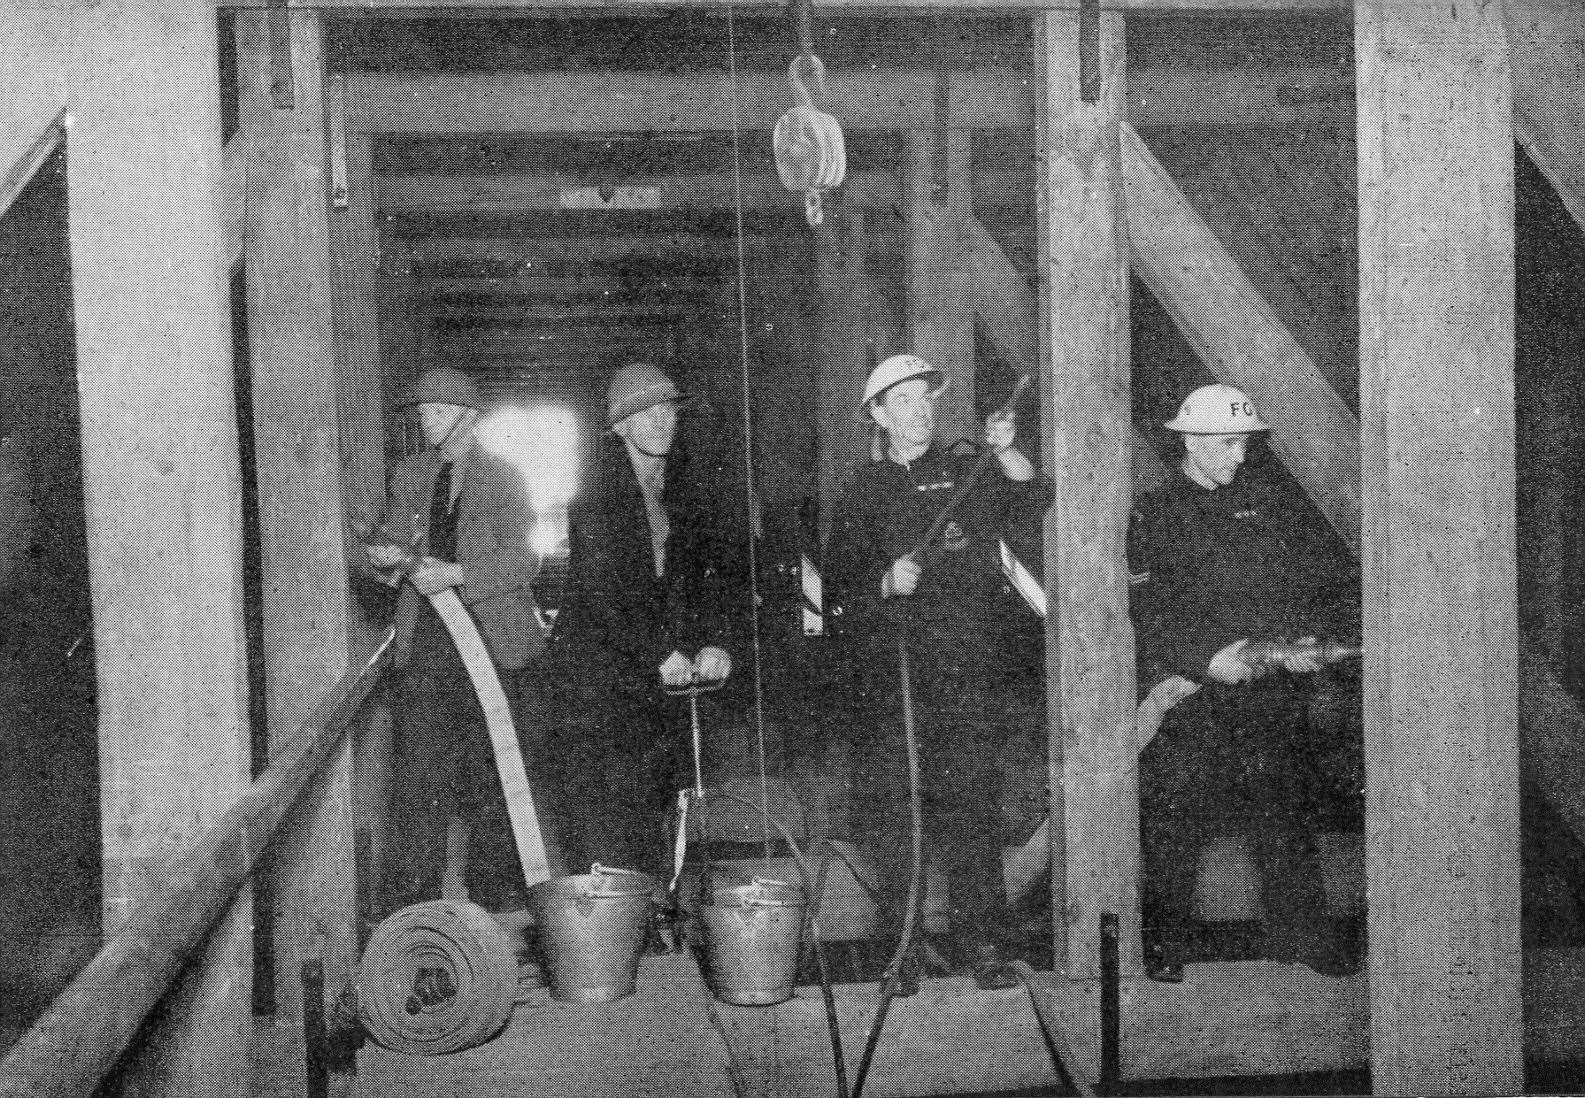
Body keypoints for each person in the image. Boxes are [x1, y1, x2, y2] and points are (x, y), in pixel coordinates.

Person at [825, 353, 1048, 992]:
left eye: (928, 396)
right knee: (897, 810)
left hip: (968, 667)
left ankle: (983, 942)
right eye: (908, 399)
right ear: (879, 415)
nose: (923, 408)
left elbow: (1034, 498)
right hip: (896, 677)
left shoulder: (965, 470)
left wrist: (1007, 454)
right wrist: (884, 581)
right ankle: (903, 947)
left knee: (971, 805)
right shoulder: (860, 495)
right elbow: (838, 597)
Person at [1128, 383, 1360, 982]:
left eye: (1243, 444)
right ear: (1192, 441)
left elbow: (1292, 590)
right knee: (1178, 804)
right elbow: (1148, 615)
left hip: (1263, 688)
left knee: (1283, 806)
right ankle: (1165, 939)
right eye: (1228, 443)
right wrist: (1206, 661)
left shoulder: (1266, 506)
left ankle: (1302, 936)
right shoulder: (1156, 514)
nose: (1238, 455)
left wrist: (1299, 645)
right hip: (1195, 693)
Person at [361, 366, 546, 915]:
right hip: (426, 649)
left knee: (494, 779)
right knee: (420, 782)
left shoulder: (503, 478)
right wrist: (383, 560)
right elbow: (388, 541)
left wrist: (462, 574)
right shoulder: (410, 476)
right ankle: (410, 917)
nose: (426, 421)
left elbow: (524, 559)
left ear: (467, 418)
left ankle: (501, 910)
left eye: (437, 412)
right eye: (422, 412)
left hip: (494, 647)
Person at [547, 362, 737, 878]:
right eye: (644, 413)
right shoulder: (595, 497)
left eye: (667, 411)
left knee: (661, 813)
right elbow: (608, 592)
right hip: (599, 687)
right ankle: (602, 944)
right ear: (619, 427)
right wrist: (660, 652)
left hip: (655, 685)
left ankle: (652, 925)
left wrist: (715, 640)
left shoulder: (683, 493)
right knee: (606, 827)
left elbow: (705, 576)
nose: (661, 422)